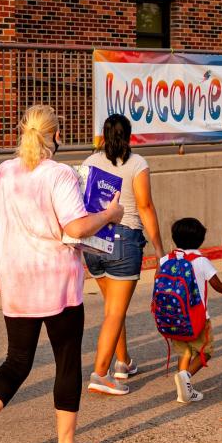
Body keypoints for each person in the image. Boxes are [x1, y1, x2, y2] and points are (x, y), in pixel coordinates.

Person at [0, 105, 124, 443]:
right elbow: (76, 228)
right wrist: (110, 215)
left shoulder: (4, 172)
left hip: (15, 278)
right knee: (66, 360)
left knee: (16, 360)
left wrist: (15, 229)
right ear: (56, 136)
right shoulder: (59, 174)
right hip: (56, 278)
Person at [80, 113, 164, 396]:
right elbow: (145, 206)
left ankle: (123, 362)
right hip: (124, 239)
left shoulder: (90, 162)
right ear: (129, 135)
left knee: (112, 309)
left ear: (103, 135)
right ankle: (101, 373)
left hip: (94, 241)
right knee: (116, 310)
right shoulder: (137, 163)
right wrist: (159, 248)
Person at [160, 218, 222, 404]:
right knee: (206, 351)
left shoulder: (165, 259)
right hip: (197, 318)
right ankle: (186, 377)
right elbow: (218, 285)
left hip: (174, 317)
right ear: (200, 240)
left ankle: (184, 390)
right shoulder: (201, 261)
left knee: (184, 352)